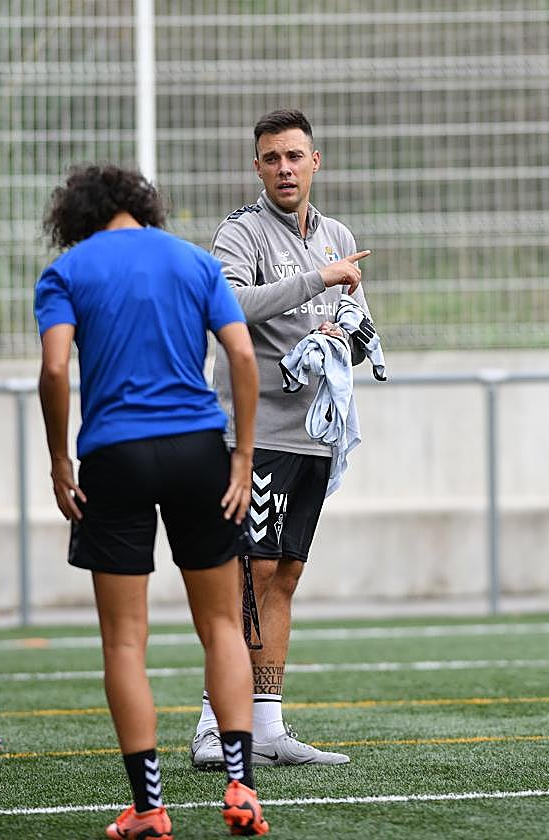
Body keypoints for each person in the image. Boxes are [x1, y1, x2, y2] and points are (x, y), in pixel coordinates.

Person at [35, 163, 268, 838]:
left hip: (115, 456)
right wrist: (243, 455)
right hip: (200, 451)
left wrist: (58, 459)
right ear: (143, 207)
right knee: (221, 626)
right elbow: (242, 357)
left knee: (125, 642)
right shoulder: (193, 261)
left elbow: (53, 368)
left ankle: (150, 808)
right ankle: (241, 788)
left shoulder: (68, 272)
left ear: (75, 215)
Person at [191, 108, 370, 769]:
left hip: (313, 437)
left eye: (295, 156)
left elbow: (357, 327)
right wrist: (316, 282)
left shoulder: (339, 235)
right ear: (258, 166)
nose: (285, 168)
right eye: (272, 158)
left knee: (285, 576)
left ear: (315, 161)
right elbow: (228, 307)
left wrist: (338, 344)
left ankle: (265, 727)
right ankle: (214, 725)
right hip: (255, 435)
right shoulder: (240, 233)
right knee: (246, 575)